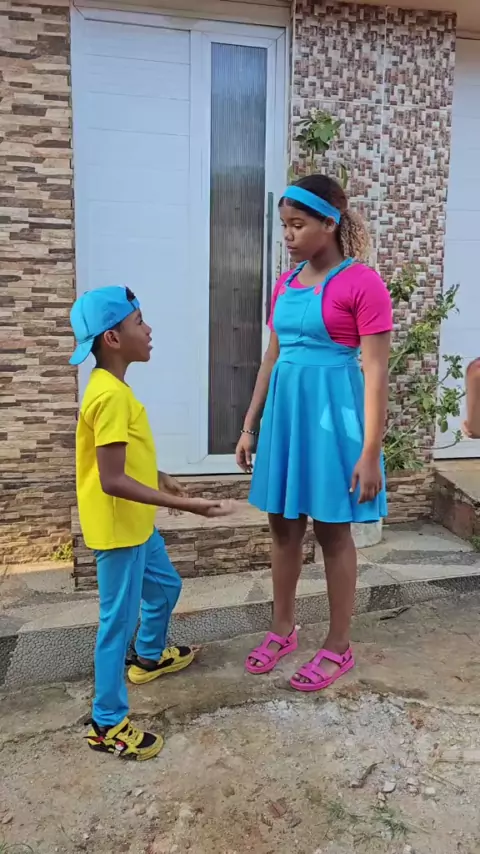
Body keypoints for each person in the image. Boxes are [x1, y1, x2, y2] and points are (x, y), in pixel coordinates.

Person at [236, 174, 392, 693]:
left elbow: (376, 373)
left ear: (329, 223)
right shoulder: (285, 285)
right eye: (284, 225)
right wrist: (250, 425)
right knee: (283, 527)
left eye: (298, 224)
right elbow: (272, 357)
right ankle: (282, 629)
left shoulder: (362, 283)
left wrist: (370, 451)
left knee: (332, 532)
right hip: (286, 419)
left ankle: (338, 645)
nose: (288, 235)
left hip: (334, 421)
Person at [70, 286, 234, 761]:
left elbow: (122, 456)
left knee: (165, 589)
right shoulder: (109, 397)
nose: (149, 330)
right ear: (113, 338)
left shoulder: (114, 389)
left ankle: (149, 655)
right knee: (115, 625)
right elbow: (112, 479)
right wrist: (189, 505)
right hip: (119, 532)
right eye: (139, 322)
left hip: (137, 526)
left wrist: (160, 476)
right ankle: (106, 724)